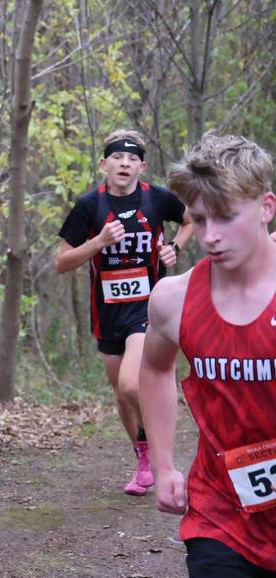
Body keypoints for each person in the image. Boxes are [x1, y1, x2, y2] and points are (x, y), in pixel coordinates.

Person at [139, 132, 276, 576]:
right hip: (220, 514)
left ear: (266, 209)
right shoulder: (172, 299)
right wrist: (162, 467)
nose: (210, 237)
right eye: (199, 220)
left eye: (225, 218)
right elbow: (156, 368)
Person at [56, 129, 194, 496]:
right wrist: (98, 242)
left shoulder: (157, 200)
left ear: (143, 167)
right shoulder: (90, 206)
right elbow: (62, 262)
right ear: (104, 164)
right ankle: (144, 456)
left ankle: (161, 455)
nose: (125, 163)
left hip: (148, 307)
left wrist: (175, 249)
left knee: (134, 384)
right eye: (118, 157)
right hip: (107, 312)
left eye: (133, 159)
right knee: (121, 394)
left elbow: (191, 220)